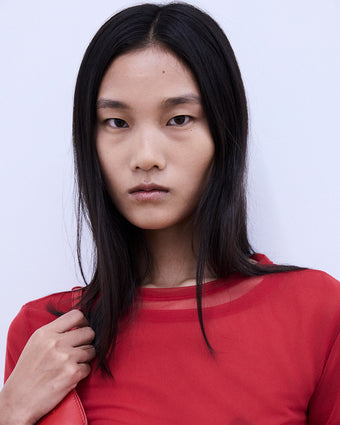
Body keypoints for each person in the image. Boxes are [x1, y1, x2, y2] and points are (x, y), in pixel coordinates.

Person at [1, 2, 339, 424]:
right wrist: (10, 412)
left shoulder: (316, 312)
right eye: (117, 123)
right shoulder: (46, 334)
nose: (145, 157)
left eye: (179, 119)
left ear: (223, 132)